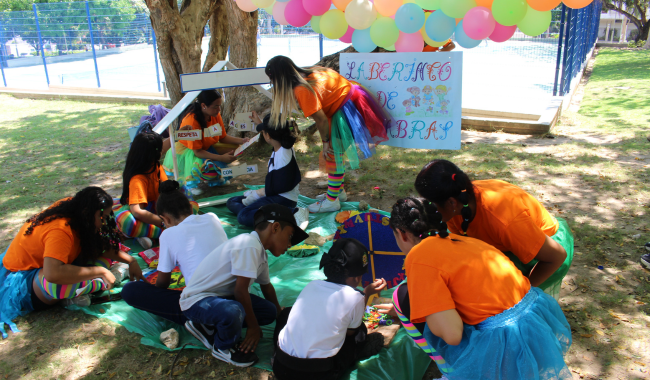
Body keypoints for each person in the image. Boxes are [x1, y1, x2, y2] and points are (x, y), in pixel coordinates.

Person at [389, 197, 572, 379]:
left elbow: (452, 335)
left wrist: (426, 309)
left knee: (402, 295)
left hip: (500, 346)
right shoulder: (463, 240)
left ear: (402, 233)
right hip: (535, 329)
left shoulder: (419, 255)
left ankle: (452, 370)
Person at [415, 159, 573, 298]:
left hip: (545, 254)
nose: (427, 209)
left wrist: (524, 293)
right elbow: (461, 247)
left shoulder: (505, 220)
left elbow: (557, 257)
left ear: (451, 203)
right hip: (509, 245)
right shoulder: (458, 200)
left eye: (430, 204)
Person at [0, 187, 145, 338]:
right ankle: (99, 282)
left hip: (51, 265)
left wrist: (131, 260)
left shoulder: (76, 209)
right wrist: (100, 271)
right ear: (87, 214)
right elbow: (52, 274)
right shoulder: (61, 230)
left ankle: (88, 284)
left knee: (101, 249)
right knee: (55, 285)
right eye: (101, 217)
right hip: (22, 280)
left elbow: (98, 244)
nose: (103, 222)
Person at [179, 204, 308, 367]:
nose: (290, 245)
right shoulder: (249, 244)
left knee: (269, 310)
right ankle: (222, 347)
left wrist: (279, 313)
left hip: (218, 299)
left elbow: (266, 287)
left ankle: (205, 326)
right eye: (290, 236)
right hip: (197, 302)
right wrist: (253, 326)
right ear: (275, 227)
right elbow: (240, 291)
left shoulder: (259, 252)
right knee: (234, 311)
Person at [265, 55, 390, 213]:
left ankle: (332, 201)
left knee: (332, 152)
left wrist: (325, 143)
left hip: (345, 109)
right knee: (335, 153)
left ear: (279, 79)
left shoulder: (302, 90)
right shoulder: (310, 72)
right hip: (347, 101)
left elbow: (321, 120)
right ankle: (339, 192)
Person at [272, 238, 386, 380]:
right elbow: (350, 334)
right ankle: (358, 351)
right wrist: (366, 293)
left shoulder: (312, 285)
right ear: (357, 278)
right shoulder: (356, 298)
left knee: (286, 314)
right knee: (359, 332)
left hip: (281, 366)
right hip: (319, 375)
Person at [121, 180, 228, 325]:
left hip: (203, 303)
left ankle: (201, 323)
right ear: (191, 209)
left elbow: (163, 282)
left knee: (130, 290)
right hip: (233, 292)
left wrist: (155, 292)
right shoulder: (212, 218)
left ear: (165, 219)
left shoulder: (168, 234)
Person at [226, 113, 308, 230]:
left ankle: (292, 213)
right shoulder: (282, 143)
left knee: (243, 216)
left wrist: (258, 193)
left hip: (284, 200)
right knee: (232, 202)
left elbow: (281, 186)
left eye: (264, 131)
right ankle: (263, 213)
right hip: (276, 195)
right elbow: (273, 132)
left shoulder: (283, 154)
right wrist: (260, 123)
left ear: (268, 135)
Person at [162, 90, 249, 196]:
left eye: (219, 106)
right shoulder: (192, 121)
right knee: (200, 162)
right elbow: (197, 152)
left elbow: (223, 137)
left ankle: (214, 179)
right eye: (215, 106)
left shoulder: (215, 114)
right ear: (203, 105)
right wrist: (221, 158)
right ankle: (190, 185)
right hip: (190, 151)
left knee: (236, 149)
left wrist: (242, 141)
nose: (219, 109)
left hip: (206, 147)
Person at [113, 132, 167, 249]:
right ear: (154, 153)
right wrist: (163, 222)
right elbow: (137, 211)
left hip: (157, 210)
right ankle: (155, 232)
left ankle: (146, 232)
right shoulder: (137, 179)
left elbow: (166, 192)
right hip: (140, 215)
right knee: (128, 222)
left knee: (184, 192)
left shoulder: (156, 167)